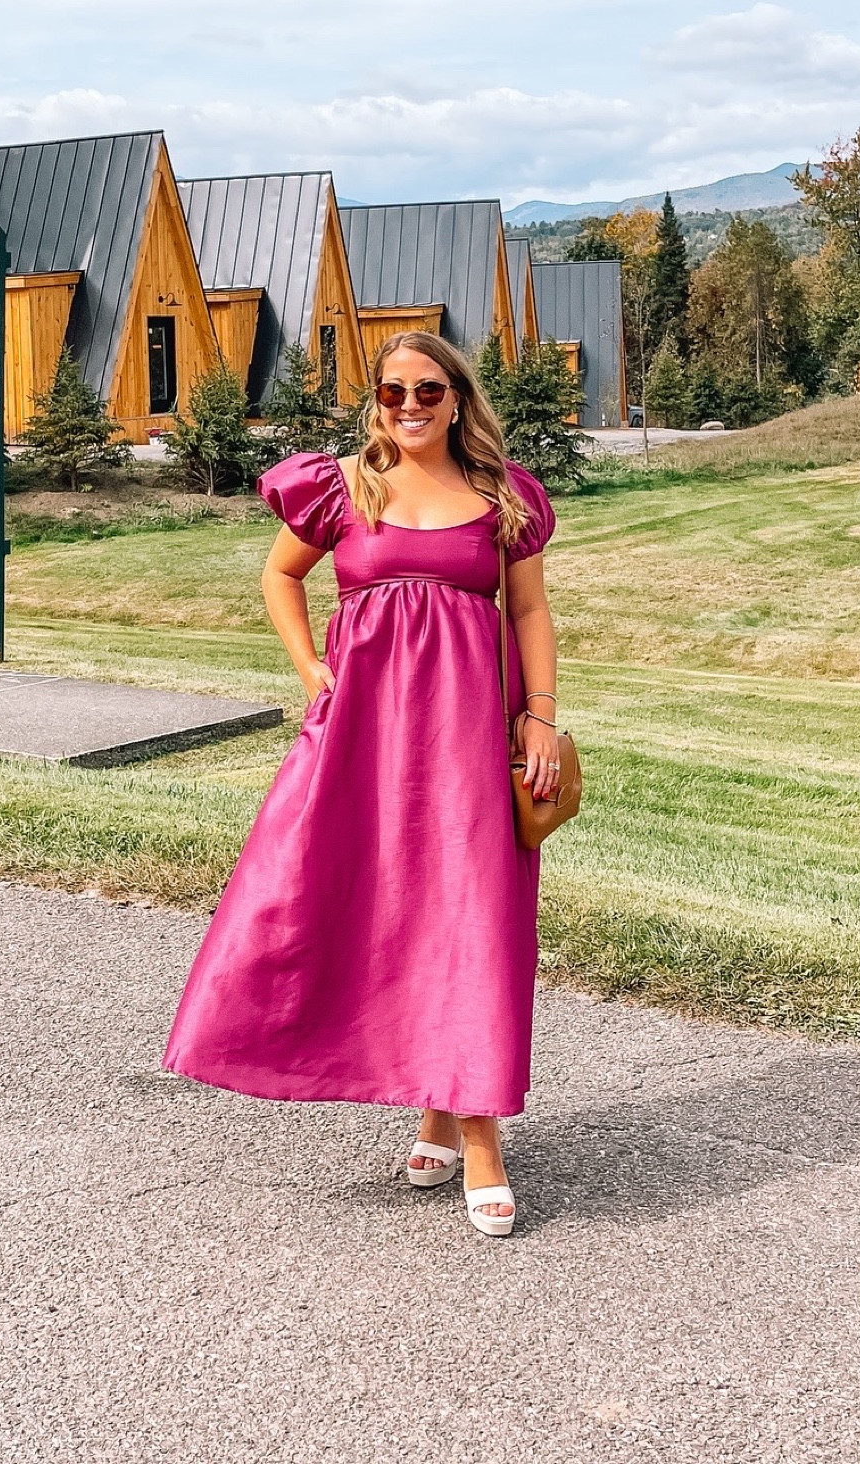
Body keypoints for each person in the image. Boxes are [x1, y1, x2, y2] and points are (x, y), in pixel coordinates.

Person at [164, 330, 562, 1237]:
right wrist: (312, 673)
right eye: (392, 393)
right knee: (334, 900)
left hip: (466, 739)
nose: (410, 406)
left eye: (428, 390)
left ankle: (478, 1135)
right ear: (375, 400)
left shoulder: (505, 496)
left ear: (457, 397)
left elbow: (531, 608)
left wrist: (538, 714)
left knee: (468, 917)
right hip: (362, 738)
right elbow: (280, 575)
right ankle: (438, 1105)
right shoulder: (344, 486)